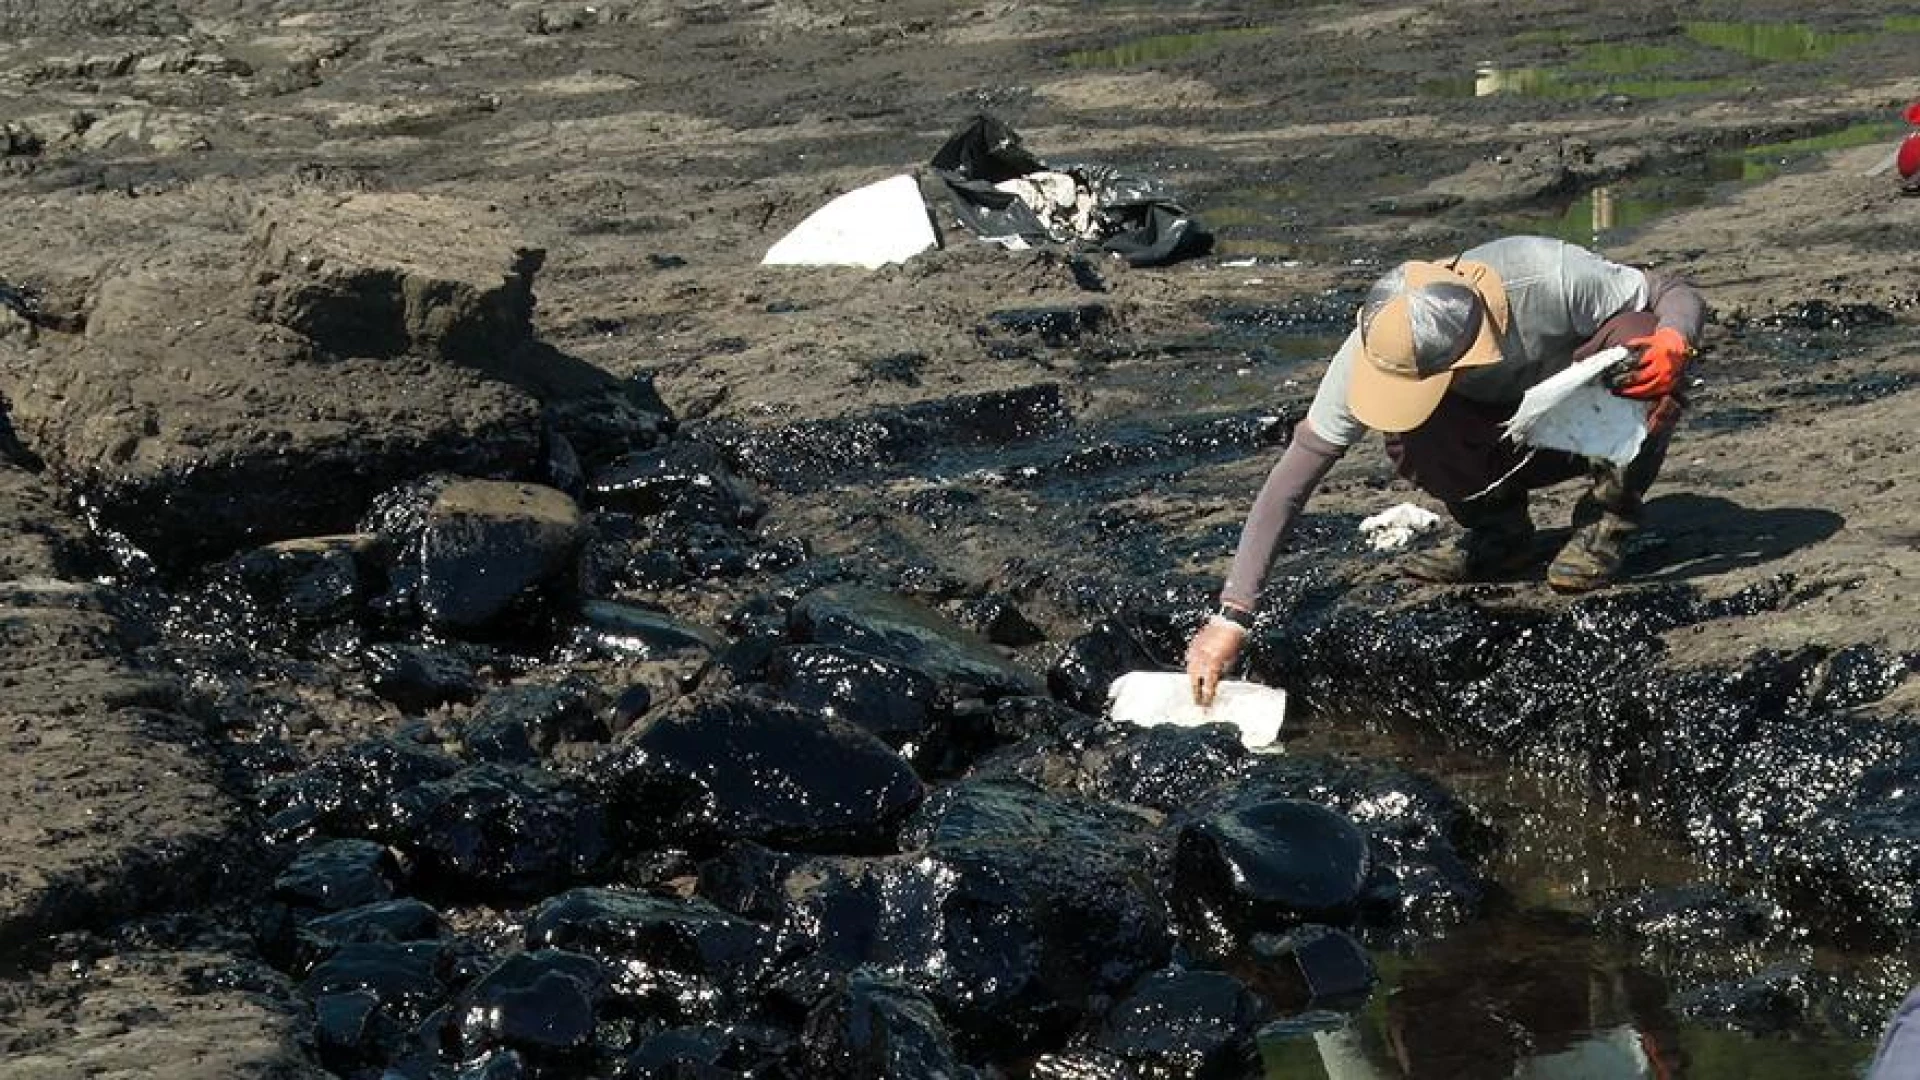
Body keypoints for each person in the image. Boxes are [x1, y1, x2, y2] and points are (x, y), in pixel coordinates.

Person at [1186, 235, 1706, 705]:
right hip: (1497, 435)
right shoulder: (1372, 349)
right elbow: (1291, 481)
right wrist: (1232, 615)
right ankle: (1500, 536)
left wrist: (1675, 341)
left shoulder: (1546, 276)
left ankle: (1604, 524)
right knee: (1410, 433)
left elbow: (1671, 291)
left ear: (1467, 353)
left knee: (1640, 337)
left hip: (1583, 416)